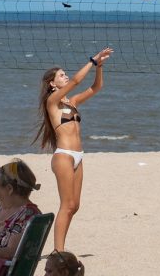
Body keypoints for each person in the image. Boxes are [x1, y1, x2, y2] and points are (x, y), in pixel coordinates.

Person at [35, 47, 114, 251]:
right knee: (66, 205)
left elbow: (96, 88)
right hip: (64, 156)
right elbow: (77, 81)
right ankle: (58, 251)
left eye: (65, 74)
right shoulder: (52, 102)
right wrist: (92, 61)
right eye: (61, 75)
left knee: (74, 206)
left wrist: (99, 68)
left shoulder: (73, 102)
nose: (65, 76)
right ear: (52, 83)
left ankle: (60, 248)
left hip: (78, 156)